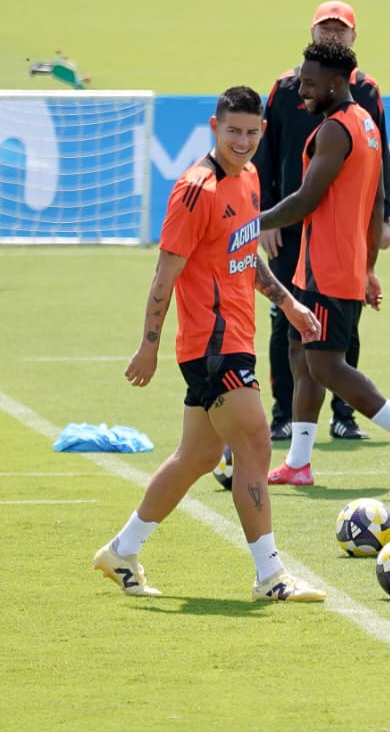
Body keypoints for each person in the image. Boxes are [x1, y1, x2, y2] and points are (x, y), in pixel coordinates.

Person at [93, 86, 326, 603]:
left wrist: (287, 303)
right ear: (213, 126)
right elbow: (164, 274)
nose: (241, 141)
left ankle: (121, 550)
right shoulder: (195, 189)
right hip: (212, 344)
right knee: (256, 443)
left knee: (197, 455)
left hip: (236, 336)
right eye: (232, 131)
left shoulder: (249, 178)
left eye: (250, 132)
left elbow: (245, 254)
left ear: (261, 130)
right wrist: (148, 345)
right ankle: (272, 576)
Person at [260, 39, 390, 489]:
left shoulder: (336, 130)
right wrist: (369, 266)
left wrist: (248, 224)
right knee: (302, 354)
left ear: (337, 83)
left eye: (310, 84)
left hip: (327, 266)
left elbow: (305, 199)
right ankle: (299, 462)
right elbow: (375, 201)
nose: (302, 91)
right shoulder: (365, 124)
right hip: (331, 263)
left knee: (326, 365)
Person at [255, 0, 390, 442]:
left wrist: (382, 219)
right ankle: (284, 415)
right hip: (289, 223)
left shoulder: (366, 94)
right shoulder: (286, 87)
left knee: (339, 327)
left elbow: (380, 160)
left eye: (340, 29)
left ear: (353, 37)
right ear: (312, 32)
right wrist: (268, 219)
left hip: (335, 227)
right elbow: (265, 154)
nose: (332, 34)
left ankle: (345, 415)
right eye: (325, 28)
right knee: (287, 319)